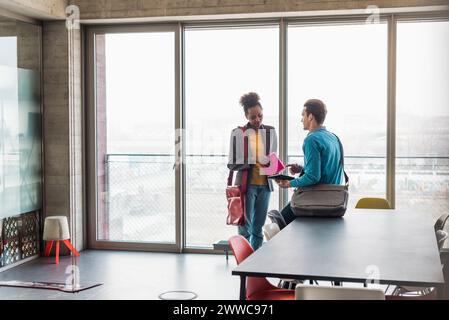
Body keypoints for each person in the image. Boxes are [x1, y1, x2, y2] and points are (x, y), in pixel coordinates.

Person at [275, 99, 344, 225]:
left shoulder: (311, 139)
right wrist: (302, 169)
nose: (302, 119)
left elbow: (313, 177)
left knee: (278, 221)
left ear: (311, 116)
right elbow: (327, 168)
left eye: (303, 115)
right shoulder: (334, 138)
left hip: (316, 199)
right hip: (334, 200)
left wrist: (289, 183)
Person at [227, 92, 278, 250]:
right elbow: (231, 163)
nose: (257, 120)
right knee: (245, 228)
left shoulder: (270, 132)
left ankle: (255, 263)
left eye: (260, 116)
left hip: (265, 185)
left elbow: (274, 160)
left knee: (258, 229)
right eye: (253, 117)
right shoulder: (238, 133)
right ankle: (244, 264)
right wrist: (252, 160)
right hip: (246, 187)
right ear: (246, 116)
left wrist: (275, 166)